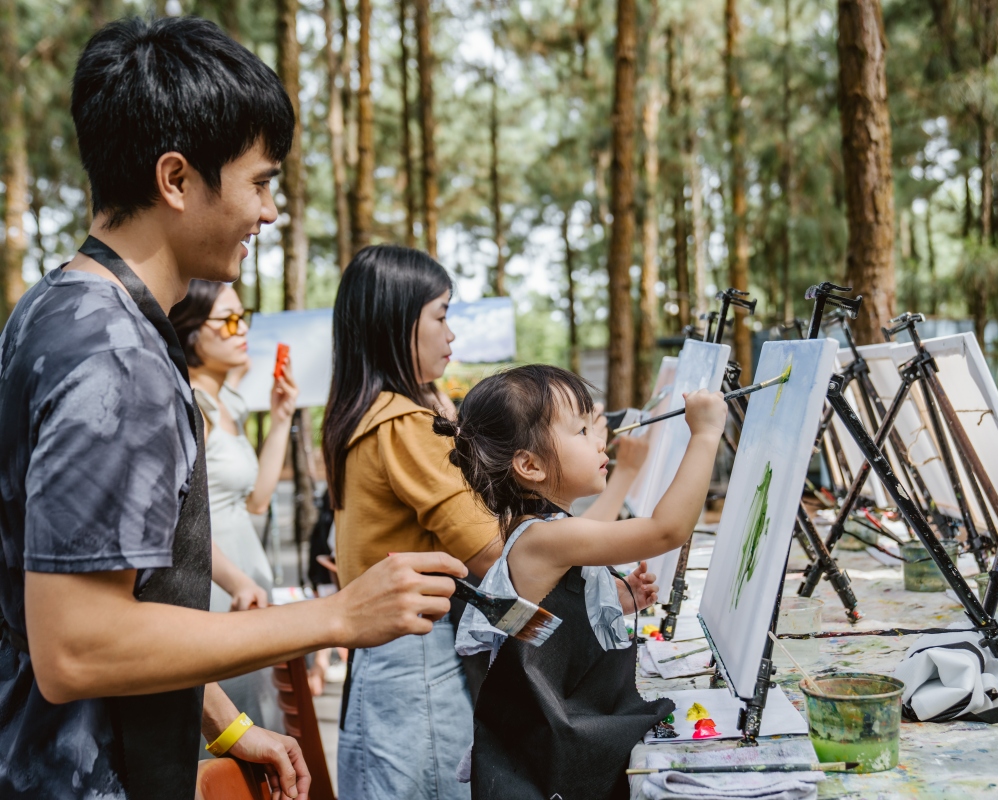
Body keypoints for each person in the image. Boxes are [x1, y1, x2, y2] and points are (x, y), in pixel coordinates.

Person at [0, 17, 465, 800]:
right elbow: (76, 645)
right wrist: (336, 618)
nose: (270, 213)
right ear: (176, 180)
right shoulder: (116, 356)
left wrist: (225, 721)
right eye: (260, 182)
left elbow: (114, 595)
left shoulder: (53, 311)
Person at [322, 246, 660, 799]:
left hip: (394, 662)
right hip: (421, 668)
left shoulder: (367, 416)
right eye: (441, 314)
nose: (451, 334)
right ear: (395, 325)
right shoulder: (405, 425)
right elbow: (497, 557)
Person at [438, 365, 727, 799]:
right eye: (581, 430)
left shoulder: (537, 529)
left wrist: (611, 602)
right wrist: (704, 436)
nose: (600, 439)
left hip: (547, 754)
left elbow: (537, 626)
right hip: (548, 767)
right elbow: (667, 530)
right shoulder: (543, 537)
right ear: (530, 465)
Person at [170, 279, 300, 735]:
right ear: (189, 333)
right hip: (218, 590)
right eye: (227, 320)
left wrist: (281, 419)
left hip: (247, 589)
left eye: (242, 317)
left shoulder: (227, 403)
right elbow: (176, 522)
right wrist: (238, 580)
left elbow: (257, 501)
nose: (241, 329)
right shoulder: (190, 408)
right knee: (229, 734)